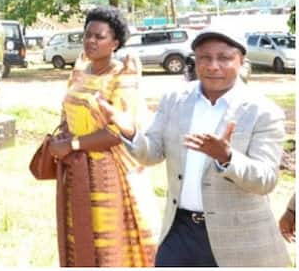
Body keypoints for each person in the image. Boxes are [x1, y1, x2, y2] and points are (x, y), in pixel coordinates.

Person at [99, 25, 291, 267]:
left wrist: (227, 158)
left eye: (224, 58)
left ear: (241, 60)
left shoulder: (263, 111)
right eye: (205, 58)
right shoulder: (175, 99)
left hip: (239, 239)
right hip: (180, 231)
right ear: (195, 60)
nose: (213, 66)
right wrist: (131, 132)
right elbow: (153, 153)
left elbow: (265, 180)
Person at [45, 6, 159, 266]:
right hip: (75, 168)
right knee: (80, 235)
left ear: (115, 43)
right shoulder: (80, 72)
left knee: (110, 239)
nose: (91, 41)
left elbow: (118, 132)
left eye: (99, 37)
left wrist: (73, 144)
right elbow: (67, 111)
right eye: (87, 35)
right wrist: (63, 134)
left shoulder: (122, 75)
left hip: (108, 172)